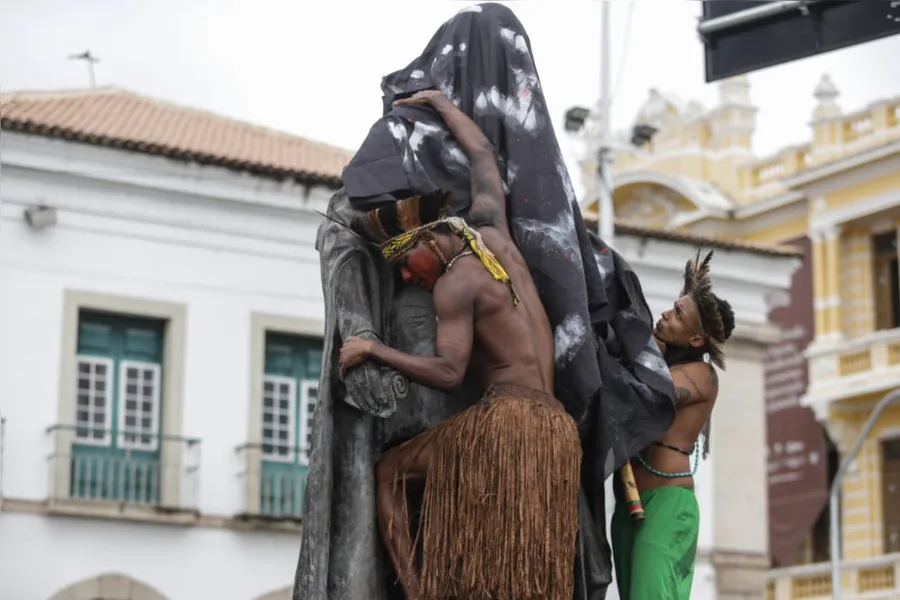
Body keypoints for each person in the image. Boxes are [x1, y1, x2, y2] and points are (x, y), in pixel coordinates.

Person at [338, 89, 581, 600]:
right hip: (556, 435)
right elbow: (482, 157)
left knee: (390, 472)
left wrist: (372, 349)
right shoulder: (496, 232)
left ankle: (418, 590)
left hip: (506, 424)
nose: (409, 276)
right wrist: (442, 103)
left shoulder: (456, 281)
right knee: (523, 573)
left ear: (428, 239)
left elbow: (449, 372)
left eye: (406, 264)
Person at [610, 249, 735, 600]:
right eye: (672, 307)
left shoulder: (702, 375)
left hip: (667, 504)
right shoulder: (657, 361)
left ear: (697, 340)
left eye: (678, 315)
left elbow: (654, 394)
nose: (666, 313)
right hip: (628, 504)